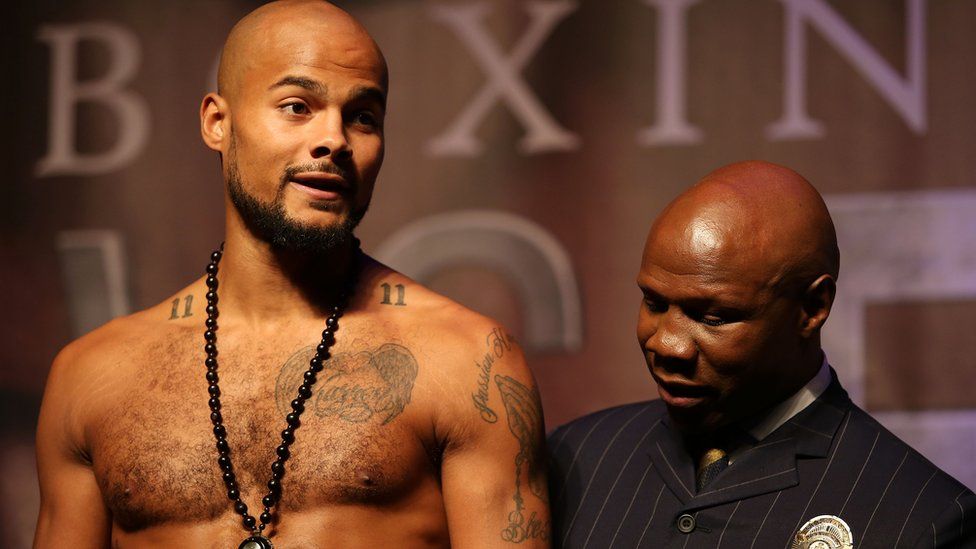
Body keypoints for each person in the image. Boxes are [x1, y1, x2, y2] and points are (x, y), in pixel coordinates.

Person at [33, 2, 549, 547]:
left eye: (363, 116)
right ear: (217, 122)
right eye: (297, 106)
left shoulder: (467, 362)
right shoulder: (92, 378)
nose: (335, 140)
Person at [548, 161, 976, 548]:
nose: (666, 344)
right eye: (655, 304)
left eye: (712, 317)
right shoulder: (575, 459)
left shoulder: (924, 520)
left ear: (812, 309)